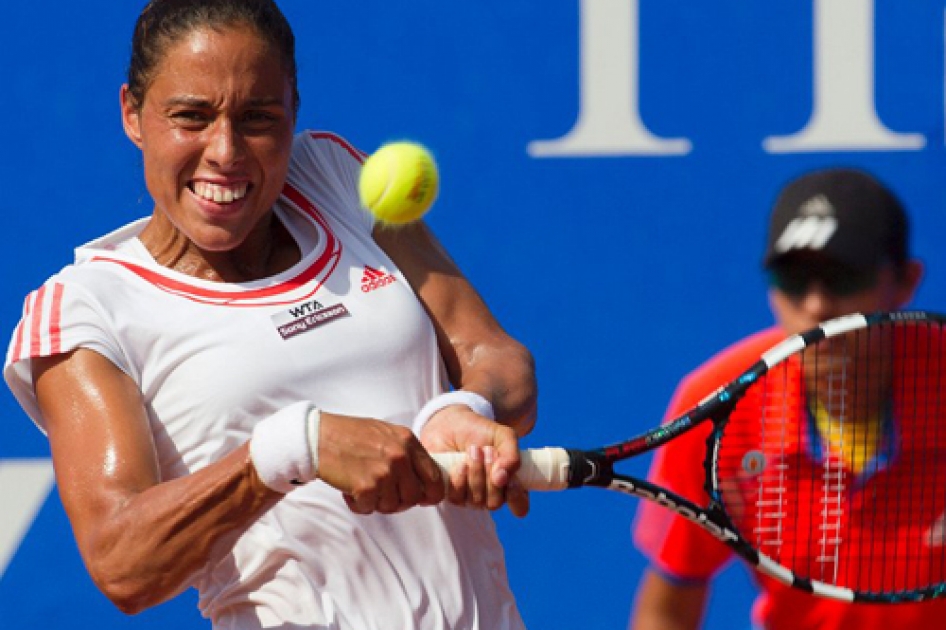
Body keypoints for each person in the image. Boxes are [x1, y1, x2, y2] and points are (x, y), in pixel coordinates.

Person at [3, 1, 537, 628]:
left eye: (258, 118)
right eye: (191, 117)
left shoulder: (336, 176)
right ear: (133, 113)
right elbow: (122, 561)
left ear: (293, 113)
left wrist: (465, 409)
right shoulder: (84, 312)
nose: (225, 151)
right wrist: (292, 449)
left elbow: (495, 359)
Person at [627, 167, 946, 630]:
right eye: (794, 280)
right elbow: (666, 611)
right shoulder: (716, 407)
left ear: (906, 282)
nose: (816, 306)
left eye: (843, 277)